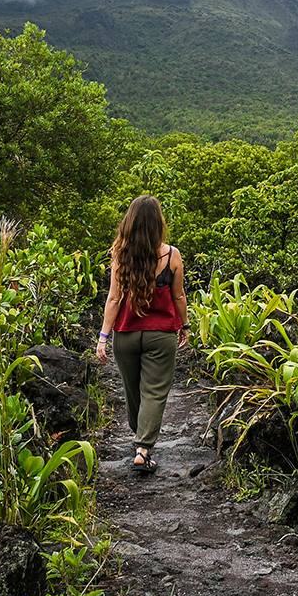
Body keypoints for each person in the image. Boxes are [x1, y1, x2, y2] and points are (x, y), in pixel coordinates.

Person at [96, 195, 189, 474]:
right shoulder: (172, 255)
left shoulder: (120, 255)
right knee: (154, 391)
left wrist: (103, 336)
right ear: (158, 224)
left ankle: (140, 438)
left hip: (125, 335)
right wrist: (185, 325)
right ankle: (143, 448)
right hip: (160, 335)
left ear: (130, 222)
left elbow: (113, 299)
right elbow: (179, 296)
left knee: (133, 388)